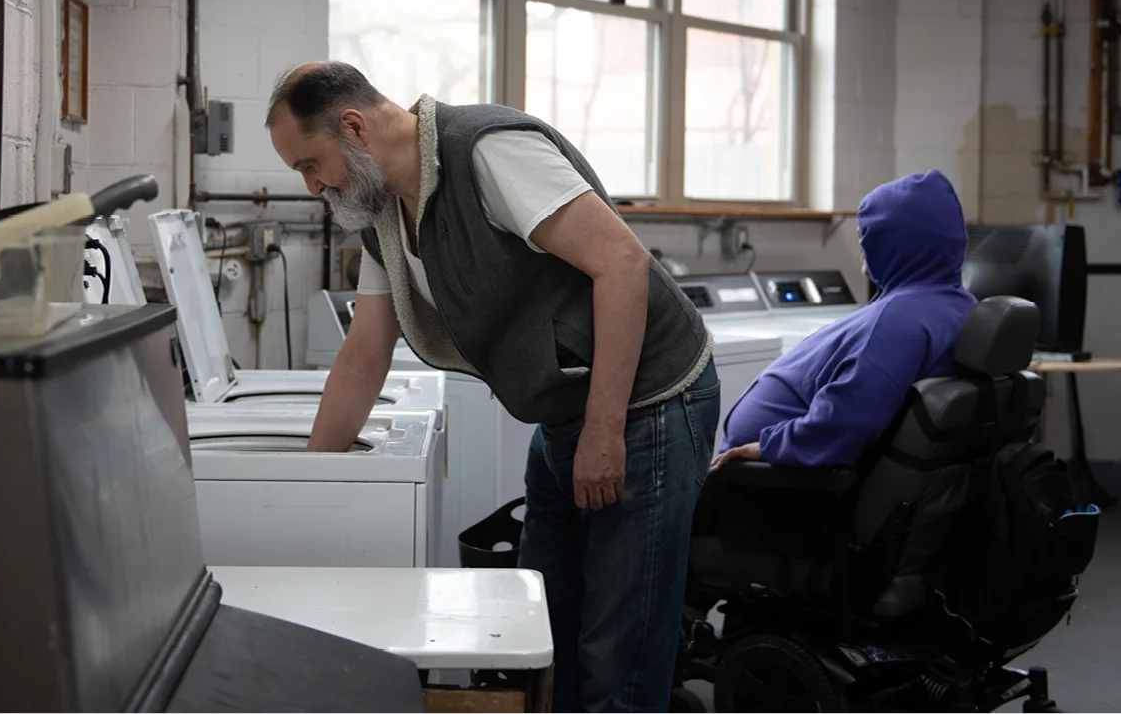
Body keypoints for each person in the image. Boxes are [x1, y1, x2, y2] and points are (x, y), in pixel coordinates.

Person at [264, 62, 719, 712]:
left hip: (651, 400)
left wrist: (603, 428)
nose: (311, 186)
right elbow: (364, 354)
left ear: (355, 127)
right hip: (568, 414)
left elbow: (621, 261)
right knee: (540, 630)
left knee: (619, 649)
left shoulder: (485, 152)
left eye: (309, 163)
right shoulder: (383, 213)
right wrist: (310, 486)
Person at [715, 170, 977, 468]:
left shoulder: (899, 320)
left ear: (893, 242)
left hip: (781, 483)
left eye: (867, 233)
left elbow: (851, 419)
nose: (862, 243)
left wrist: (772, 446)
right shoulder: (956, 306)